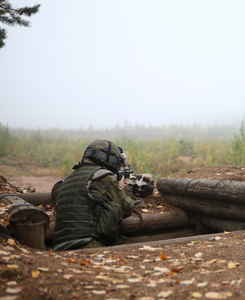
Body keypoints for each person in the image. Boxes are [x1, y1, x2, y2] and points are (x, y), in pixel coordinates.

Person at [53, 140, 133, 251]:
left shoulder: (69, 179)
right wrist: (120, 188)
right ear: (110, 159)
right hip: (89, 246)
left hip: (60, 248)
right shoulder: (101, 176)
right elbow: (126, 207)